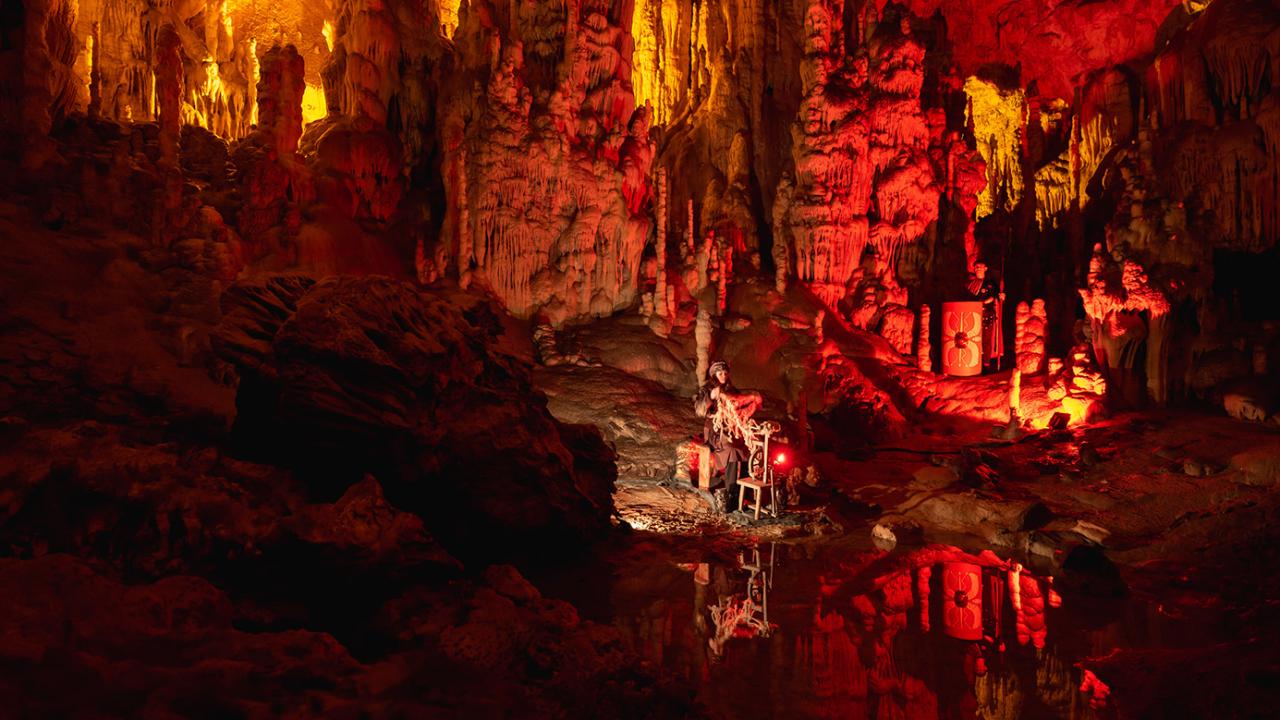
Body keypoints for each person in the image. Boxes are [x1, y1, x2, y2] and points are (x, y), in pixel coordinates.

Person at [694, 361, 762, 504]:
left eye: (725, 373)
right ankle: (731, 492)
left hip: (731, 429)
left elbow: (738, 405)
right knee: (731, 450)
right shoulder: (706, 389)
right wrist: (711, 397)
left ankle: (744, 490)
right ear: (714, 375)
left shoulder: (731, 390)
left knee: (744, 449)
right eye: (720, 373)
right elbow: (700, 410)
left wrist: (753, 400)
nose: (723, 376)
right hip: (715, 431)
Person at [967, 262, 1005, 370]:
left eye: (980, 266)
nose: (978, 268)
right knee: (974, 340)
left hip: (987, 315)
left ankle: (986, 365)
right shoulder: (970, 284)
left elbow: (996, 297)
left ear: (986, 268)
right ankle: (974, 362)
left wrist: (1001, 297)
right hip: (974, 315)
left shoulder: (991, 284)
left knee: (987, 340)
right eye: (976, 267)